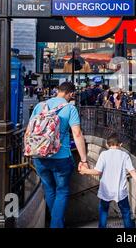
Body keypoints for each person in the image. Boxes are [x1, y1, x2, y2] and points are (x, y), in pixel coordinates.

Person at [26, 82, 88, 228]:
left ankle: (56, 222)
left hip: (39, 156)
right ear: (71, 94)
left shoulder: (40, 106)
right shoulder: (70, 108)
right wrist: (84, 159)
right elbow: (77, 134)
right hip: (61, 157)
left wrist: (28, 151)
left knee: (48, 188)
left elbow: (28, 131)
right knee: (62, 190)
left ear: (58, 91)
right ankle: (57, 224)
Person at [79, 133, 136, 228]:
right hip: (120, 191)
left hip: (106, 190)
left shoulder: (104, 154)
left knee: (103, 212)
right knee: (125, 213)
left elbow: (97, 171)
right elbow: (132, 171)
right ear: (120, 144)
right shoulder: (124, 155)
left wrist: (85, 171)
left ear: (107, 144)